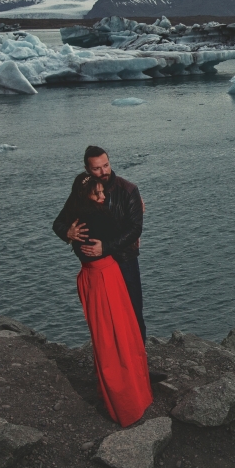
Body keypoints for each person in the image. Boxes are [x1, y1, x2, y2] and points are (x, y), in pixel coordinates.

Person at [58, 173, 152, 426]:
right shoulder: (95, 217)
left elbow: (60, 224)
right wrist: (138, 209)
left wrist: (67, 232)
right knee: (118, 337)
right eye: (97, 193)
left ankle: (120, 395)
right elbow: (129, 229)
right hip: (105, 279)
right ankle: (128, 401)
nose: (102, 197)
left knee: (107, 339)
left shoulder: (77, 214)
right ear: (85, 196)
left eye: (103, 192)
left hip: (94, 277)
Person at [53, 146, 146, 342]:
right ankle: (113, 356)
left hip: (125, 260)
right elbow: (59, 222)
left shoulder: (128, 190)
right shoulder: (83, 191)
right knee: (104, 318)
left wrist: (106, 247)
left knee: (132, 312)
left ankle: (139, 359)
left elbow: (135, 229)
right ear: (87, 169)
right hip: (97, 268)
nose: (103, 172)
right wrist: (68, 232)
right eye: (96, 168)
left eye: (106, 165)